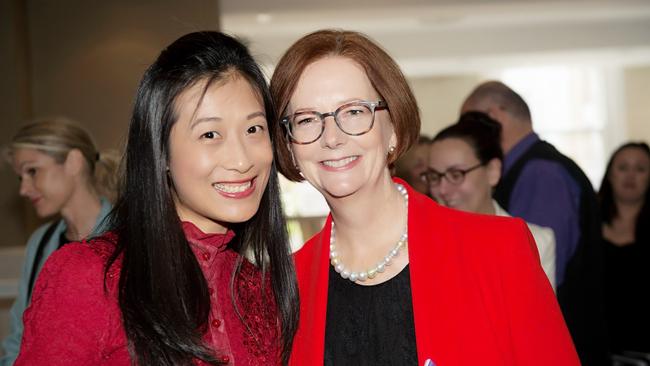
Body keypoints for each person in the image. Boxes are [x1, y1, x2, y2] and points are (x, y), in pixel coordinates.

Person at [270, 29, 578, 366]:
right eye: (306, 119)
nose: (332, 137)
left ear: (395, 129)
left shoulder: (498, 249)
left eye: (354, 112)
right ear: (289, 146)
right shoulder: (284, 287)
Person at [15, 31, 298, 365]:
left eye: (254, 129)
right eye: (210, 134)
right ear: (160, 152)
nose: (241, 160)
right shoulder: (91, 276)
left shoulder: (256, 288)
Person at [461, 81, 607, 365]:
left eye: (471, 122)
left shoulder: (540, 174)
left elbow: (532, 274)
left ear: (495, 116)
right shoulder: (533, 167)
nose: (467, 135)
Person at [1, 118, 116, 366]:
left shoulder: (129, 235)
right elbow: (19, 338)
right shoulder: (40, 242)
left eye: (32, 171)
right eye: (20, 177)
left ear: (73, 162)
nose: (23, 189)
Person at [426, 112, 556, 289]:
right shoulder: (423, 242)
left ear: (492, 171)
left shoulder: (535, 241)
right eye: (434, 177)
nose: (442, 189)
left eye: (456, 175)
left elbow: (539, 315)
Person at [598, 142, 650, 356]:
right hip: (599, 346)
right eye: (623, 168)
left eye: (640, 169)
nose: (630, 176)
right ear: (610, 174)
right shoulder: (586, 223)